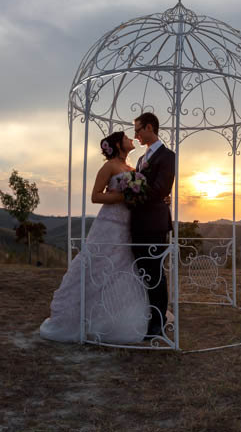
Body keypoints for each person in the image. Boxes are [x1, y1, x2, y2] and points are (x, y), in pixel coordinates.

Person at [39, 131, 149, 344]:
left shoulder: (131, 168)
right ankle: (80, 317)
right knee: (98, 266)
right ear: (118, 145)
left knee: (123, 268)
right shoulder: (109, 167)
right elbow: (96, 195)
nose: (131, 139)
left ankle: (116, 317)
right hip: (109, 224)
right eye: (126, 137)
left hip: (128, 225)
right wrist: (123, 195)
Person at [130, 112, 176, 337]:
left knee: (156, 274)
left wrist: (132, 193)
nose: (136, 135)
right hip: (137, 223)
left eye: (138, 130)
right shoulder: (140, 159)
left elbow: (161, 189)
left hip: (155, 224)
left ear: (149, 128)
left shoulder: (167, 156)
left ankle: (157, 324)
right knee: (141, 272)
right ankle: (144, 315)